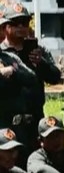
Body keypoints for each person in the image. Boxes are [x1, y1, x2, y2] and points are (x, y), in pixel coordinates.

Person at [1, 0, 61, 145]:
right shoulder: (2, 53)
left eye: (25, 22)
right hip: (8, 120)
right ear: (5, 26)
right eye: (16, 23)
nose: (21, 27)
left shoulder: (37, 50)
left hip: (35, 119)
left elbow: (55, 77)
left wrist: (41, 63)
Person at [0, 25, 39, 155]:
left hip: (18, 126)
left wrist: (13, 71)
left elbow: (32, 78)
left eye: (1, 28)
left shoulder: (10, 57)